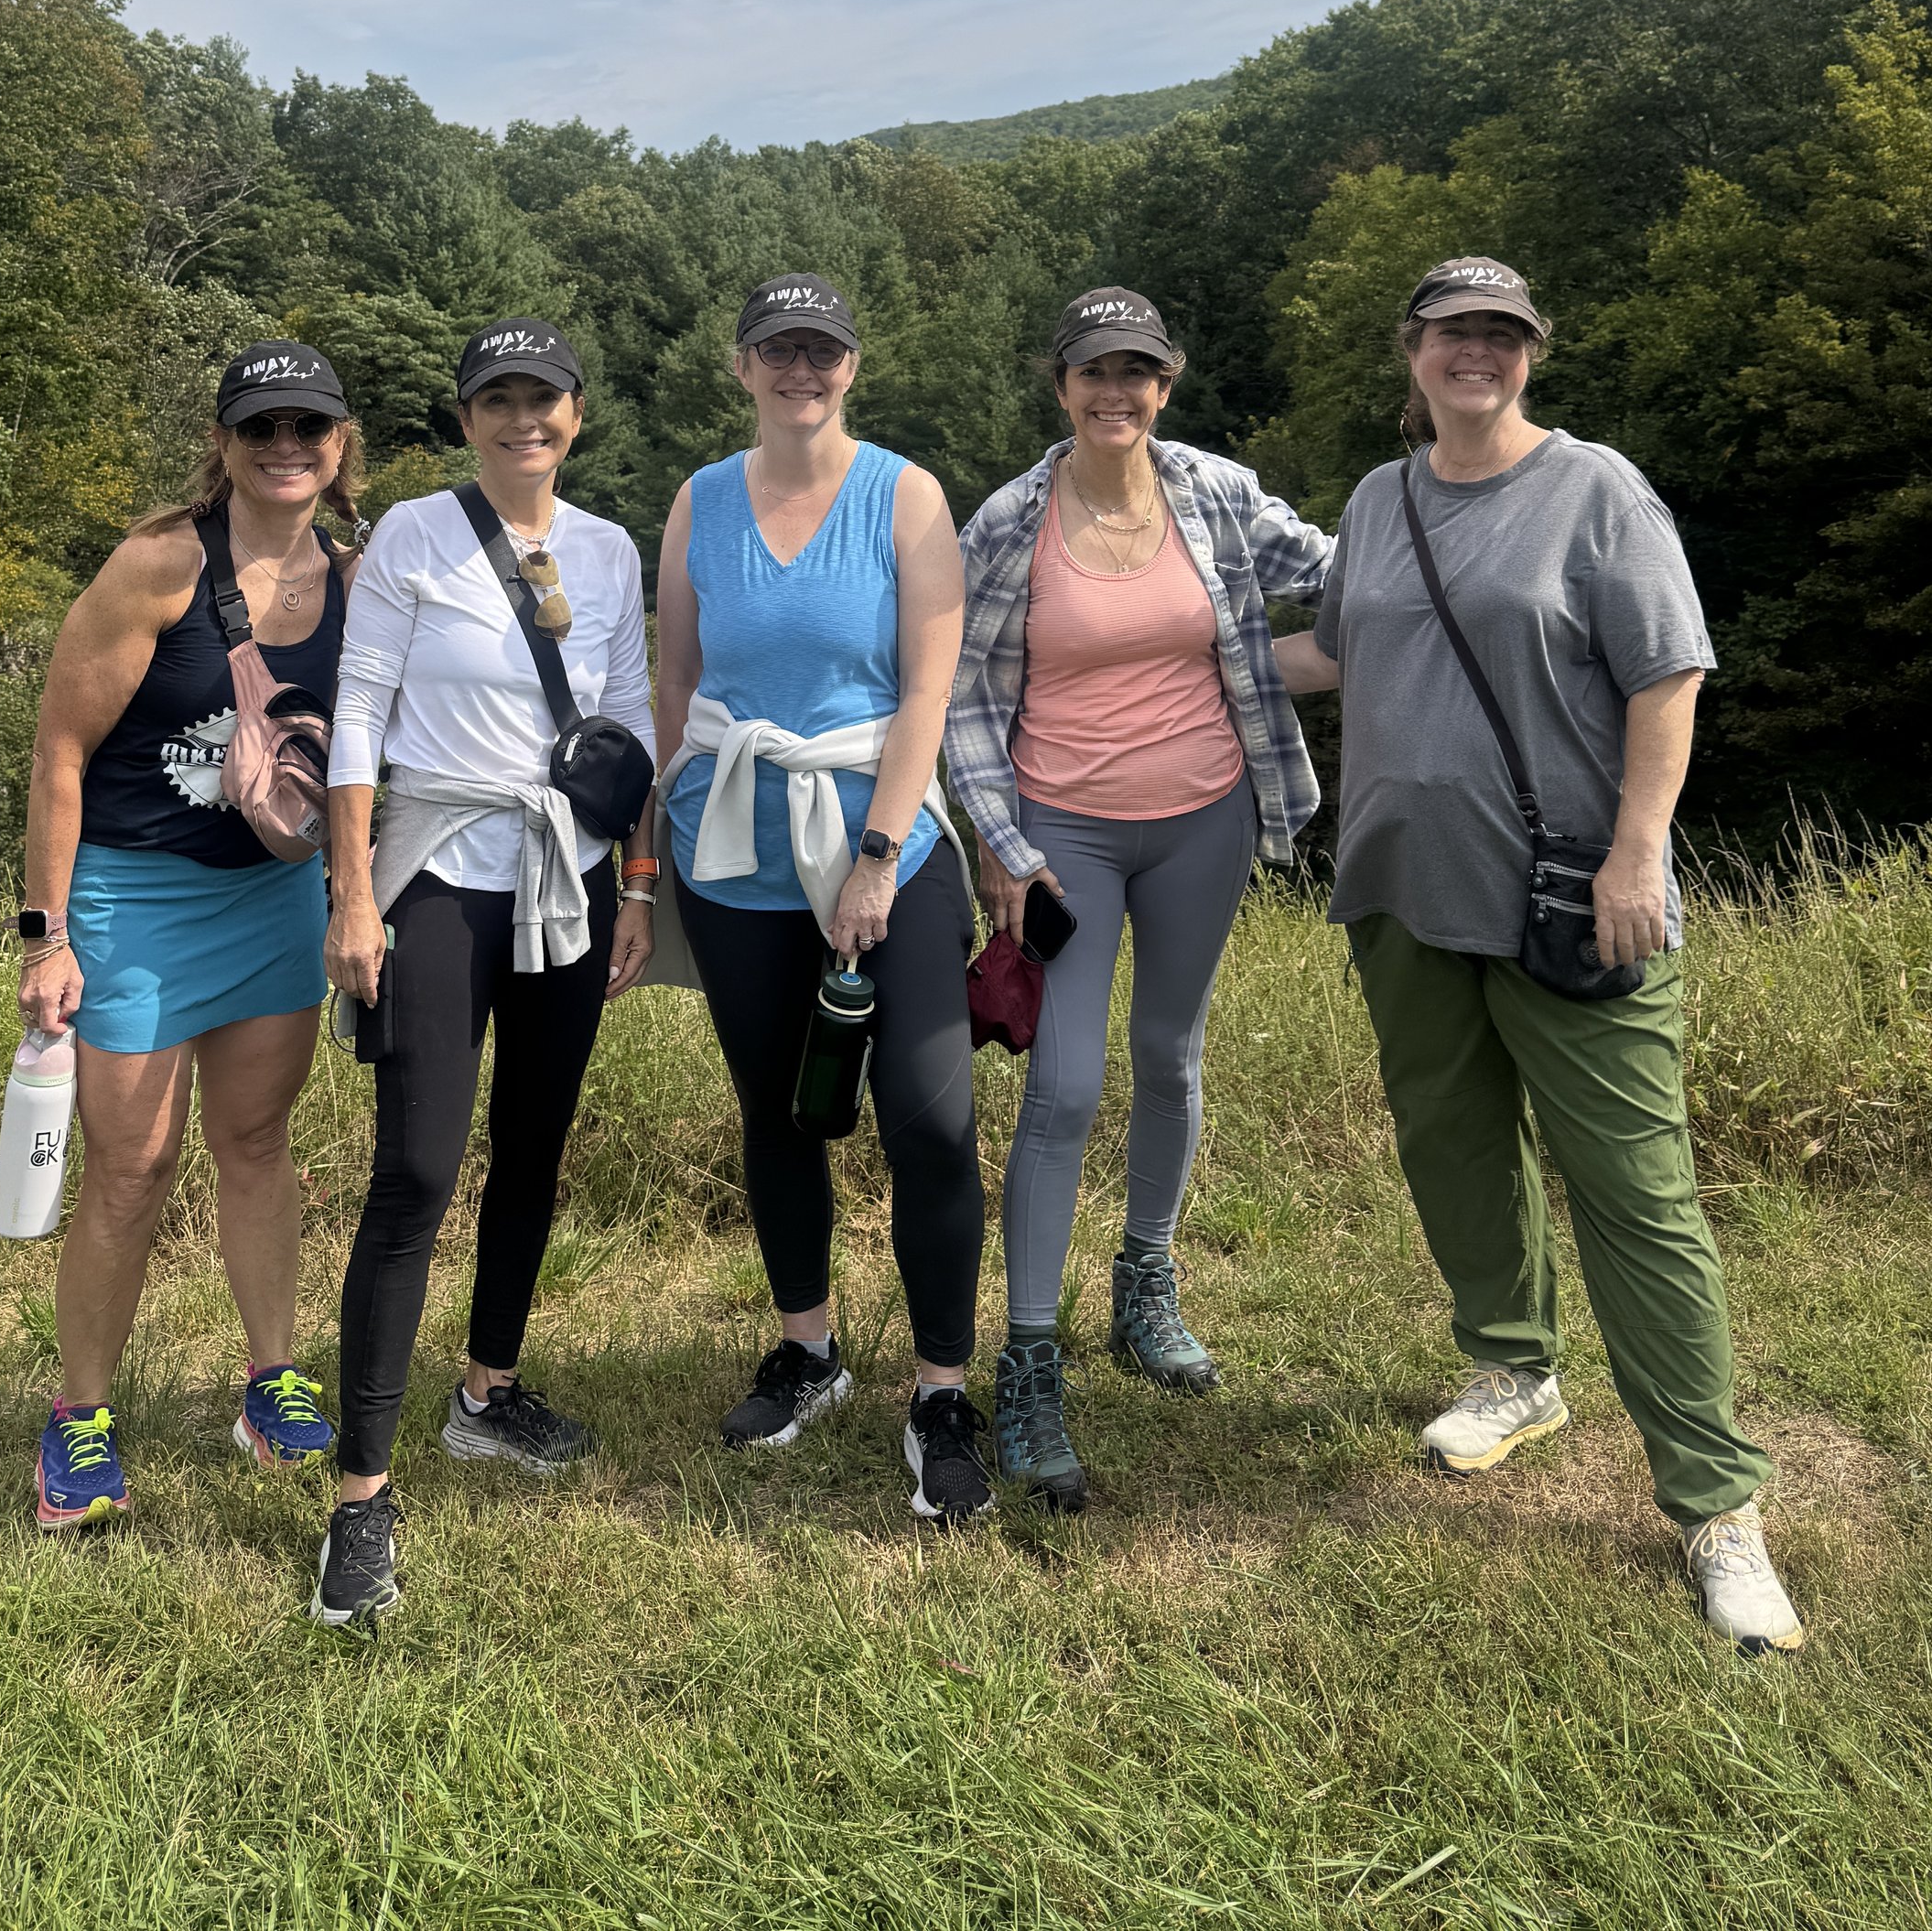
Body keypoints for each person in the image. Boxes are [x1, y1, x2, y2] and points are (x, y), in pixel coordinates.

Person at [1271, 254, 1804, 1654]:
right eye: (1456, 332)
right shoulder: (1380, 503)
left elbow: (1668, 674)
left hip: (1573, 900)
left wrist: (1641, 850)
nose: (1478, 355)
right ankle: (1513, 1366)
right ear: (1413, 349)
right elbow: (1333, 651)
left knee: (1637, 1194)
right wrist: (1136, 649)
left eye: (1503, 335)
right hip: (1399, 887)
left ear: (1532, 354)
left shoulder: (1597, 489)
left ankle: (1716, 1503)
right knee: (1449, 1140)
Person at [948, 286, 1334, 1510]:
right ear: (1059, 385)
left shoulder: (1216, 492)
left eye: (1139, 371)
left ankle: (1146, 1285)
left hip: (1205, 819)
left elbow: (1347, 572)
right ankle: (1029, 1358)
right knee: (1061, 1087)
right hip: (1063, 838)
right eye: (1093, 371)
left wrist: (1450, 549)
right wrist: (1003, 845)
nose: (1116, 392)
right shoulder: (1010, 520)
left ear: (1167, 382)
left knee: (1170, 1052)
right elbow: (959, 694)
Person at [312, 319, 657, 1634]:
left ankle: (488, 1390)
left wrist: (636, 885)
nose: (524, 419)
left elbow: (626, 731)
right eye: (498, 399)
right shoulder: (411, 533)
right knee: (417, 1168)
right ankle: (361, 1493)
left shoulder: (614, 549)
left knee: (535, 1144)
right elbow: (358, 712)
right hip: (443, 863)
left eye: (544, 399)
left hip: (566, 872)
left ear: (577, 413)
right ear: (467, 417)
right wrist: (353, 890)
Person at [652, 274, 990, 1523]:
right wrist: (648, 856)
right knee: (779, 1109)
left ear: (854, 364)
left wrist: (877, 854)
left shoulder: (906, 496)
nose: (804, 370)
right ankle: (809, 1348)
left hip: (880, 830)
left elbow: (924, 690)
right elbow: (674, 678)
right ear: (741, 364)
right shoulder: (698, 502)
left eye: (824, 351)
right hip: (731, 837)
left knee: (928, 1117)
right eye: (780, 350)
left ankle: (944, 1388)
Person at [17, 341, 362, 1529]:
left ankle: (271, 1381)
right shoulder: (158, 565)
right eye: (260, 427)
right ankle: (81, 1416)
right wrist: (44, 934)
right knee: (131, 1165)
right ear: (220, 443)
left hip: (270, 898)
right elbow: (60, 749)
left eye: (307, 428)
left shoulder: (355, 582)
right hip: (137, 896)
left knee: (257, 1140)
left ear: (339, 444)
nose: (285, 448)